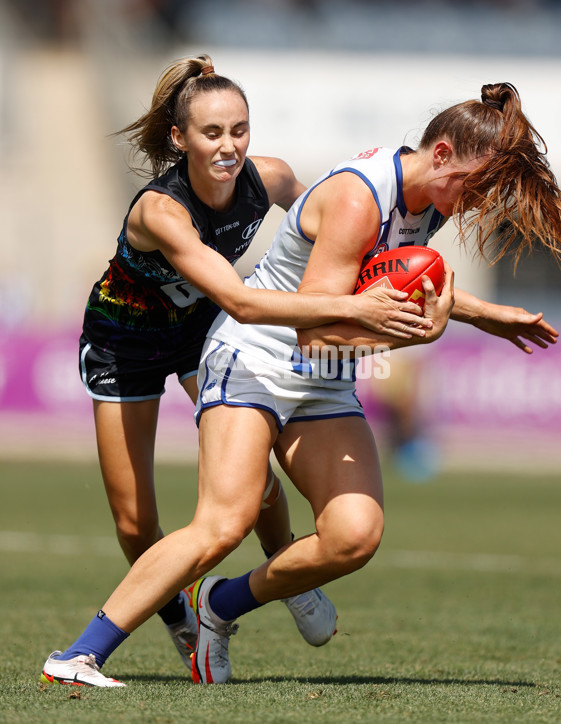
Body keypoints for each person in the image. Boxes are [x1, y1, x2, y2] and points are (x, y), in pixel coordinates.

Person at [41, 81, 561, 688]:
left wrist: (482, 313)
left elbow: (377, 284)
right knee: (222, 521)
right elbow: (316, 333)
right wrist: (414, 337)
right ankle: (78, 656)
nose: (476, 202)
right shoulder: (358, 199)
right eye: (476, 185)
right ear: (441, 155)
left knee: (355, 536)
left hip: (320, 376)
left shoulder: (426, 198)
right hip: (256, 356)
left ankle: (218, 606)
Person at [67, 53, 420, 679]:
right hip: (127, 343)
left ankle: (287, 574)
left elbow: (337, 229)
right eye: (211, 133)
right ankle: (180, 622)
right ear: (180, 139)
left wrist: (445, 301)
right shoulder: (160, 211)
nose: (229, 147)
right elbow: (240, 298)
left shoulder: (273, 178)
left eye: (239, 130)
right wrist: (352, 305)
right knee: (133, 519)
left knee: (250, 477)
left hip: (203, 333)